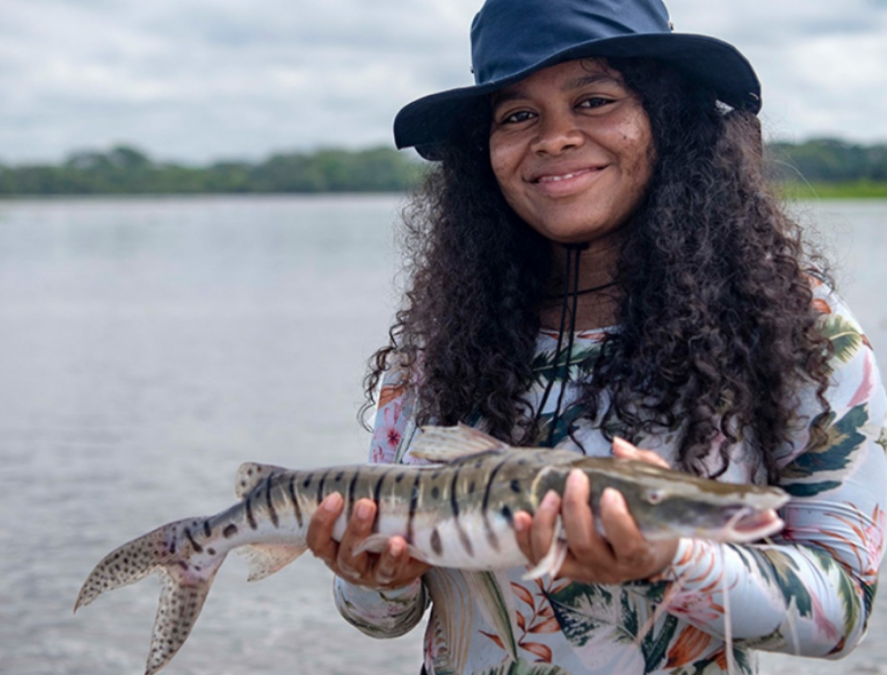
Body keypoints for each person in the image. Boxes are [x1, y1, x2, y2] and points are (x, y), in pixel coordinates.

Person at [304, 0, 887, 673]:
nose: (554, 138)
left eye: (595, 99)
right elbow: (379, 616)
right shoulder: (437, 343)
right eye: (518, 115)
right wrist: (373, 576)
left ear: (667, 119)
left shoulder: (798, 327)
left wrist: (672, 559)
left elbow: (841, 610)